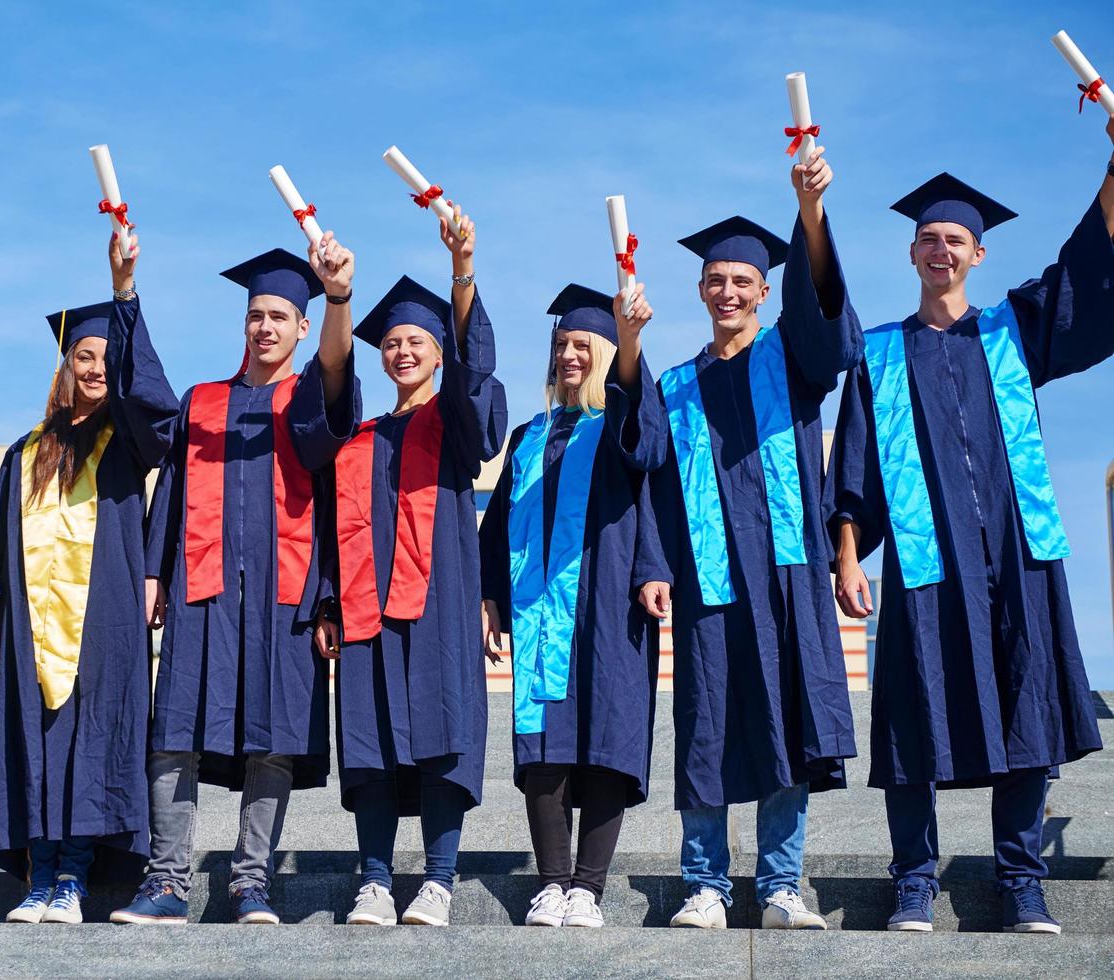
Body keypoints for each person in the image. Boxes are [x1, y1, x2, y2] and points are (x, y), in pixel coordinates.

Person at [828, 122, 1114, 935]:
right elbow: (851, 468)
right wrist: (847, 555)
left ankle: (1022, 880)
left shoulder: (1012, 332)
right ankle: (912, 882)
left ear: (978, 255)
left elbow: (1085, 266)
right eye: (927, 239)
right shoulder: (877, 355)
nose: (940, 249)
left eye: (955, 238)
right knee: (914, 714)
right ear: (911, 255)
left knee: (1026, 710)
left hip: (1016, 554)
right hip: (924, 560)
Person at [112, 235, 360, 925]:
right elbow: (174, 487)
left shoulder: (308, 401)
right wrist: (156, 568)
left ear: (302, 327)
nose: (264, 326)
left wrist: (337, 292)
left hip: (286, 595)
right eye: (256, 315)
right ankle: (165, 883)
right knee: (174, 732)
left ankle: (251, 885)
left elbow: (338, 378)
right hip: (203, 589)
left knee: (272, 737)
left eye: (280, 316)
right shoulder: (202, 402)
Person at [648, 148, 859, 931]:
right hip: (707, 580)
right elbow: (649, 488)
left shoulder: (791, 360)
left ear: (764, 292)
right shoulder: (671, 387)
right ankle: (703, 884)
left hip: (786, 576)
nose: (727, 290)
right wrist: (651, 565)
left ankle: (778, 885)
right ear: (700, 292)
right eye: (715, 281)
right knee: (705, 727)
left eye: (742, 281)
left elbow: (831, 331)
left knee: (788, 722)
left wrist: (809, 212)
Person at [0, 231, 179, 924]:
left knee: (93, 742)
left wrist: (125, 295)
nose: (95, 368)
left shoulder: (127, 439)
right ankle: (39, 876)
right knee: (34, 743)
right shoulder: (28, 452)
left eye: (106, 357)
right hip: (32, 626)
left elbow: (157, 407)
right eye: (83, 356)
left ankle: (74, 877)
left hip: (106, 616)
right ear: (64, 365)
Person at [312, 207, 507, 927]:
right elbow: (331, 530)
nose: (399, 351)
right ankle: (372, 879)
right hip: (364, 613)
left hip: (437, 609)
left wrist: (460, 272)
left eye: (415, 341)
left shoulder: (454, 422)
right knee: (368, 743)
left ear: (436, 353)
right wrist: (328, 602)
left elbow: (474, 380)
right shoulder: (356, 436)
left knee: (440, 736)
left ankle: (438, 881)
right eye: (390, 342)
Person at [478, 276, 665, 929]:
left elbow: (648, 459)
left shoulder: (619, 422)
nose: (567, 356)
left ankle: (587, 887)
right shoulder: (528, 436)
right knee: (543, 748)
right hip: (536, 617)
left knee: (606, 740)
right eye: (561, 344)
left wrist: (633, 343)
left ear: (610, 355)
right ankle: (551, 884)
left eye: (583, 344)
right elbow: (496, 523)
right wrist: (489, 597)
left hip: (609, 611)